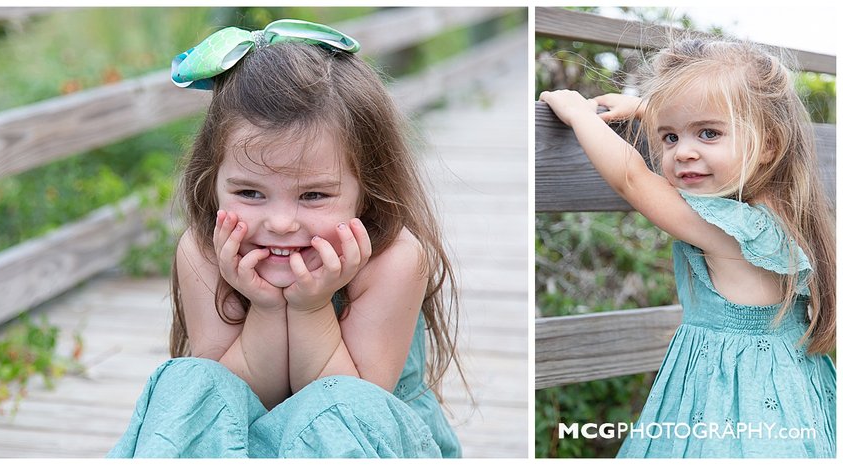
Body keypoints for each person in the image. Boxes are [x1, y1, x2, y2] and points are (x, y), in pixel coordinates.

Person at [107, 19, 463, 458]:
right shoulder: (203, 253)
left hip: (366, 442)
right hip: (247, 438)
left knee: (343, 404)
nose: (279, 223)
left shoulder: (393, 260)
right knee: (196, 382)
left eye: (313, 195)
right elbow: (223, 404)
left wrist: (310, 307)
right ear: (212, 180)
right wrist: (267, 305)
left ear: (366, 190)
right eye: (249, 192)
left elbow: (349, 419)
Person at [540, 35, 836, 458]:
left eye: (708, 133)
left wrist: (576, 113)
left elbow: (632, 179)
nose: (683, 153)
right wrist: (646, 112)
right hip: (785, 386)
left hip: (730, 398)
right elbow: (716, 134)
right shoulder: (778, 204)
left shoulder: (727, 228)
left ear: (769, 144)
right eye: (671, 137)